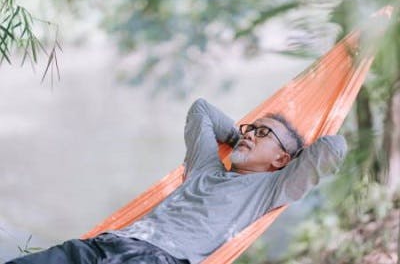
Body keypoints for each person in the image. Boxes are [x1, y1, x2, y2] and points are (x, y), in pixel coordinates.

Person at [7, 98, 347, 264]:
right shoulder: (205, 167)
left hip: (156, 259)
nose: (250, 135)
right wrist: (240, 138)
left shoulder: (271, 188)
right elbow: (201, 110)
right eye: (249, 128)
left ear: (282, 160)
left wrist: (283, 158)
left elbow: (333, 147)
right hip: (104, 244)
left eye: (263, 133)